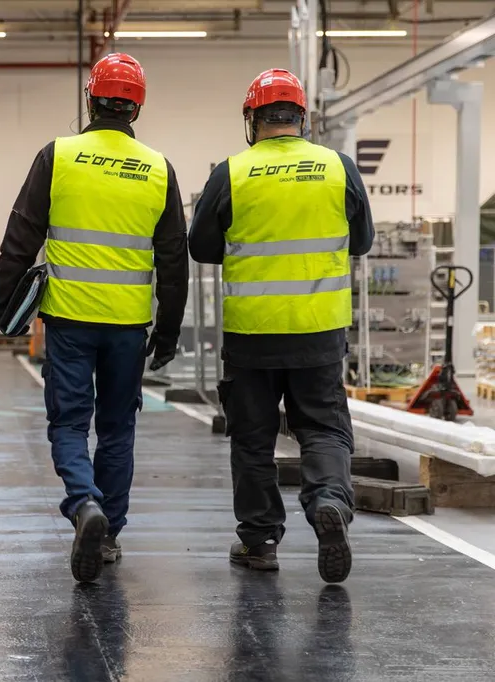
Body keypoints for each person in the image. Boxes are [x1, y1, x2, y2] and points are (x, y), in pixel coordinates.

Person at [0, 53, 189, 583]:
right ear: (137, 107)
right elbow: (174, 258)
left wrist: (3, 300)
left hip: (69, 321)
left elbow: (21, 235)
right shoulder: (157, 168)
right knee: (119, 427)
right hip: (128, 325)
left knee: (69, 422)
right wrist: (168, 331)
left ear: (90, 98)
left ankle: (84, 505)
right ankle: (109, 537)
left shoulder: (56, 156)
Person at [188, 69, 375, 584]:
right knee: (323, 428)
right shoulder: (339, 169)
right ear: (302, 119)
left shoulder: (233, 172)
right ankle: (328, 504)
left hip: (253, 335)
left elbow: (200, 247)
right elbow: (361, 243)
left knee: (252, 438)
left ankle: (259, 542)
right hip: (319, 331)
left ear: (253, 119)